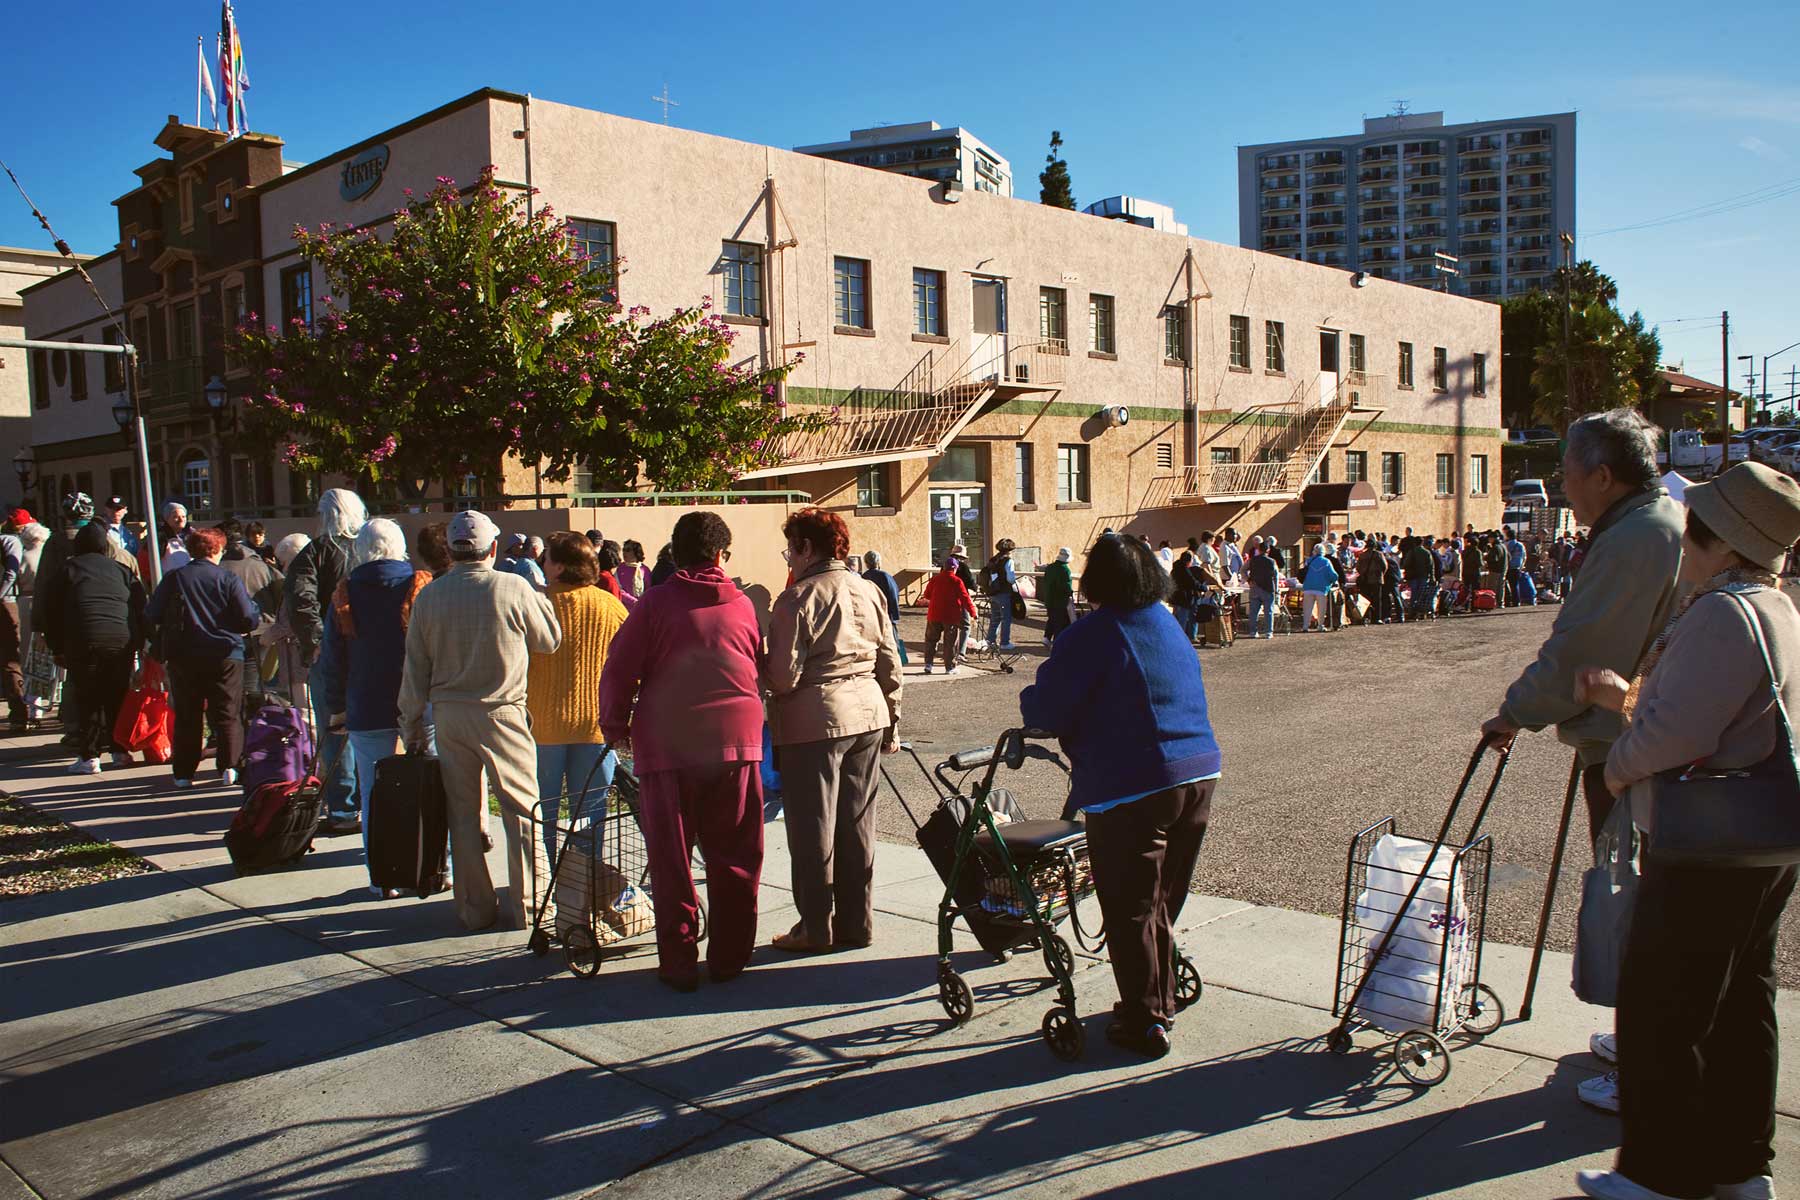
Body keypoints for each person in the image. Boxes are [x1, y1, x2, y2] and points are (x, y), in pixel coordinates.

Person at [1567, 462, 1800, 1200]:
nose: (1685, 538)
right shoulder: (1777, 608)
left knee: (1664, 1005)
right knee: (1740, 1003)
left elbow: (1681, 734)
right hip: (1764, 840)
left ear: (1724, 543)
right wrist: (1626, 699)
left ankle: (1657, 1175)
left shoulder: (1720, 614)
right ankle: (1740, 1164)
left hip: (1706, 846)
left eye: (1696, 527)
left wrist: (1616, 767)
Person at [1482, 408, 1684, 1117]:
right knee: (1633, 897)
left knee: (1634, 902)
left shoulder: (1637, 537)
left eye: (1568, 474)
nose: (1562, 487)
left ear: (1603, 475)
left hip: (1631, 754)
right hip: (1630, 742)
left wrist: (1515, 712)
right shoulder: (1651, 524)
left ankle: (1647, 1057)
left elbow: (1579, 649)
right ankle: (1639, 1040)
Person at [1019, 534, 1221, 1059]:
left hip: (1133, 783)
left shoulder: (1092, 633)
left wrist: (1030, 700)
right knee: (1161, 899)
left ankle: (1145, 1017)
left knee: (1130, 907)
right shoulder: (1166, 623)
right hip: (1197, 771)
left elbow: (1047, 711)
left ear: (1096, 582)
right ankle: (1160, 993)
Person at [599, 511, 766, 990]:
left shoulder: (654, 605)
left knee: (671, 858)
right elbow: (753, 660)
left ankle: (678, 961)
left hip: (667, 743)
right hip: (735, 742)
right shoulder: (743, 604)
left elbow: (618, 669)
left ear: (675, 553)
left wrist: (614, 725)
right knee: (735, 855)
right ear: (720, 554)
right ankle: (731, 956)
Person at [399, 510, 562, 931]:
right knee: (522, 812)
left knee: (463, 815)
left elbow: (414, 669)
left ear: (451, 550)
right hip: (502, 710)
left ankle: (475, 907)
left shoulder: (430, 597)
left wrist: (411, 726)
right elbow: (549, 641)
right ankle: (530, 904)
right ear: (493, 548)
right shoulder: (511, 586)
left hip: (450, 713)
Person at [763, 507, 902, 953]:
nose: (789, 559)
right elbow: (890, 661)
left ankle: (815, 927)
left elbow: (783, 677)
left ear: (806, 548)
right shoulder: (868, 589)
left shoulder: (797, 598)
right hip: (869, 714)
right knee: (858, 824)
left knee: (812, 828)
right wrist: (892, 721)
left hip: (815, 721)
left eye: (790, 550)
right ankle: (856, 923)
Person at [311, 519, 431, 896]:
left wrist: (336, 707)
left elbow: (333, 658)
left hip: (365, 702)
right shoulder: (421, 585)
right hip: (418, 701)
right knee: (428, 787)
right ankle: (433, 865)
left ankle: (382, 876)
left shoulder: (345, 592)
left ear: (361, 550)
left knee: (372, 793)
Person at [530, 532, 628, 854]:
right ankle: (584, 886)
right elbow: (630, 661)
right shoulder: (611, 607)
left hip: (540, 725)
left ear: (558, 567)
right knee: (589, 815)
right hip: (595, 725)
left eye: (547, 558)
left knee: (539, 813)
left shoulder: (536, 604)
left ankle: (542, 883)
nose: (543, 563)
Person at [145, 527, 260, 788]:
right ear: (217, 549)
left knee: (188, 713)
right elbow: (247, 618)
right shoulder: (227, 579)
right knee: (228, 712)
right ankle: (229, 766)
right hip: (226, 653)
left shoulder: (175, 578)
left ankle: (184, 772)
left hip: (183, 654)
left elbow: (152, 613)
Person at [286, 488, 367, 833]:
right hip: (368, 652)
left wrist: (316, 639)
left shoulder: (316, 552)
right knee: (371, 729)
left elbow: (300, 597)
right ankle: (369, 799)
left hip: (330, 652)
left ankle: (344, 809)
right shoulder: (370, 548)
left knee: (334, 729)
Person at [39, 522, 146, 774]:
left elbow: (50, 611)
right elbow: (140, 606)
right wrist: (140, 643)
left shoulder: (67, 570)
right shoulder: (121, 570)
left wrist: (57, 647)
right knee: (116, 694)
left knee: (88, 697)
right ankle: (119, 751)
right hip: (121, 639)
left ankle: (89, 756)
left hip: (83, 639)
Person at [921, 556, 975, 674]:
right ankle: (949, 667)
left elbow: (927, 595)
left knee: (931, 640)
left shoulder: (935, 580)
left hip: (934, 614)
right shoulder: (957, 581)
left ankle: (928, 664)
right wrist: (973, 613)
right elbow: (965, 598)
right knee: (949, 643)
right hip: (951, 616)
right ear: (955, 568)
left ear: (943, 568)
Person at [860, 549, 909, 666]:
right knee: (891, 643)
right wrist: (894, 616)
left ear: (866, 563)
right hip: (886, 615)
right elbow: (893, 596)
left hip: (869, 616)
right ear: (878, 562)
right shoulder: (885, 576)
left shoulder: (863, 577)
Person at [981, 539, 1019, 650]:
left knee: (995, 618)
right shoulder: (1008, 561)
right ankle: (1004, 642)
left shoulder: (993, 560)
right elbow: (1010, 578)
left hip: (992, 592)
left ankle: (990, 640)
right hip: (1004, 592)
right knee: (1006, 618)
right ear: (1010, 550)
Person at [1300, 544, 1339, 632]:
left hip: (1308, 587)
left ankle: (1305, 626)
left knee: (1307, 608)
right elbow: (1333, 575)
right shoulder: (1326, 561)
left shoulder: (1309, 561)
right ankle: (1320, 625)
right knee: (1321, 609)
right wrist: (1332, 582)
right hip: (1321, 588)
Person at [1040, 547, 1075, 643]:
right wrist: (1071, 593)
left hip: (1049, 598)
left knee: (1052, 618)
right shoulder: (1065, 570)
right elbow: (1066, 586)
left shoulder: (1050, 567)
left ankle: (1046, 637)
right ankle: (1057, 643)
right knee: (1060, 623)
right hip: (1060, 601)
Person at [1245, 540, 1278, 638]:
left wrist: (1248, 579)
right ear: (1268, 550)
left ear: (1258, 549)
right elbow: (1275, 576)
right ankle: (1268, 632)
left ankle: (1253, 632)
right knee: (1268, 611)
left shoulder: (1252, 560)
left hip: (1255, 587)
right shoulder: (1272, 561)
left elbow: (1243, 570)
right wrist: (1276, 589)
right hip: (1268, 587)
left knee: (1253, 612)